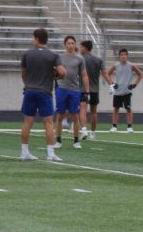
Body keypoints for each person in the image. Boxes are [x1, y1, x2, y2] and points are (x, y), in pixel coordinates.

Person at [19, 28, 66, 161]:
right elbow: (63, 73)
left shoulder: (27, 54)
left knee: (28, 121)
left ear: (37, 39)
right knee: (48, 122)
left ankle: (24, 152)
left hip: (29, 90)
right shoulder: (53, 55)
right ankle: (50, 154)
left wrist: (27, 83)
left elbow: (23, 73)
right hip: (44, 91)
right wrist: (54, 75)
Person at [54, 35, 90, 150]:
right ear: (65, 45)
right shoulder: (59, 58)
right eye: (68, 43)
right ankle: (58, 140)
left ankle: (76, 141)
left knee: (75, 116)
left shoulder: (80, 59)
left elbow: (84, 75)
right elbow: (54, 73)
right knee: (60, 116)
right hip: (61, 89)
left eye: (72, 43)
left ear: (75, 45)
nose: (70, 45)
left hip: (74, 90)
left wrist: (87, 92)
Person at [79, 40, 112, 140]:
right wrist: (111, 83)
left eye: (81, 47)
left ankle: (84, 129)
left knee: (83, 110)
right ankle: (93, 133)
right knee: (94, 112)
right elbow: (105, 73)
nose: (80, 49)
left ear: (85, 48)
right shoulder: (98, 60)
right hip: (95, 89)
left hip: (83, 89)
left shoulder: (80, 59)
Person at [107, 48, 143, 132]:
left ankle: (129, 126)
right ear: (119, 56)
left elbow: (140, 74)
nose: (123, 56)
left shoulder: (131, 66)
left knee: (128, 109)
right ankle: (114, 126)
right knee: (116, 109)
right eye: (121, 55)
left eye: (125, 55)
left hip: (127, 91)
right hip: (117, 92)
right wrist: (112, 83)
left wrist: (135, 84)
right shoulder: (116, 65)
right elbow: (107, 74)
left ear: (127, 56)